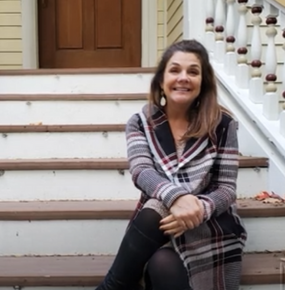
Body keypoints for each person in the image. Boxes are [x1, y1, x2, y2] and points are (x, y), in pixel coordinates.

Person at [95, 39, 247, 290]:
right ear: (161, 81)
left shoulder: (223, 125)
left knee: (159, 234)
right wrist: (177, 199)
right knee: (160, 255)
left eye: (193, 71)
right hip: (159, 226)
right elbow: (142, 171)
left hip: (210, 225)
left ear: (203, 82)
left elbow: (226, 188)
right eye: (175, 70)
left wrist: (198, 208)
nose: (183, 77)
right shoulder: (141, 122)